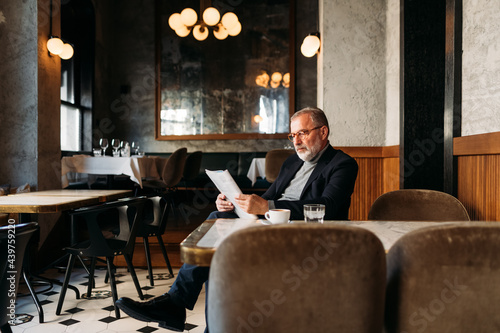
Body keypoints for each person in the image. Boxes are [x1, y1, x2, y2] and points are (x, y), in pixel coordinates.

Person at [116, 107, 358, 332]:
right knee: (218, 217)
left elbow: (329, 206)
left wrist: (268, 206)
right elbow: (269, 196)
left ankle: (176, 304)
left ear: (323, 132)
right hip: (267, 225)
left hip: (302, 235)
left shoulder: (342, 164)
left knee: (218, 251)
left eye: (302, 133)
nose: (295, 141)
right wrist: (235, 202)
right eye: (292, 135)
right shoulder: (292, 162)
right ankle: (178, 304)